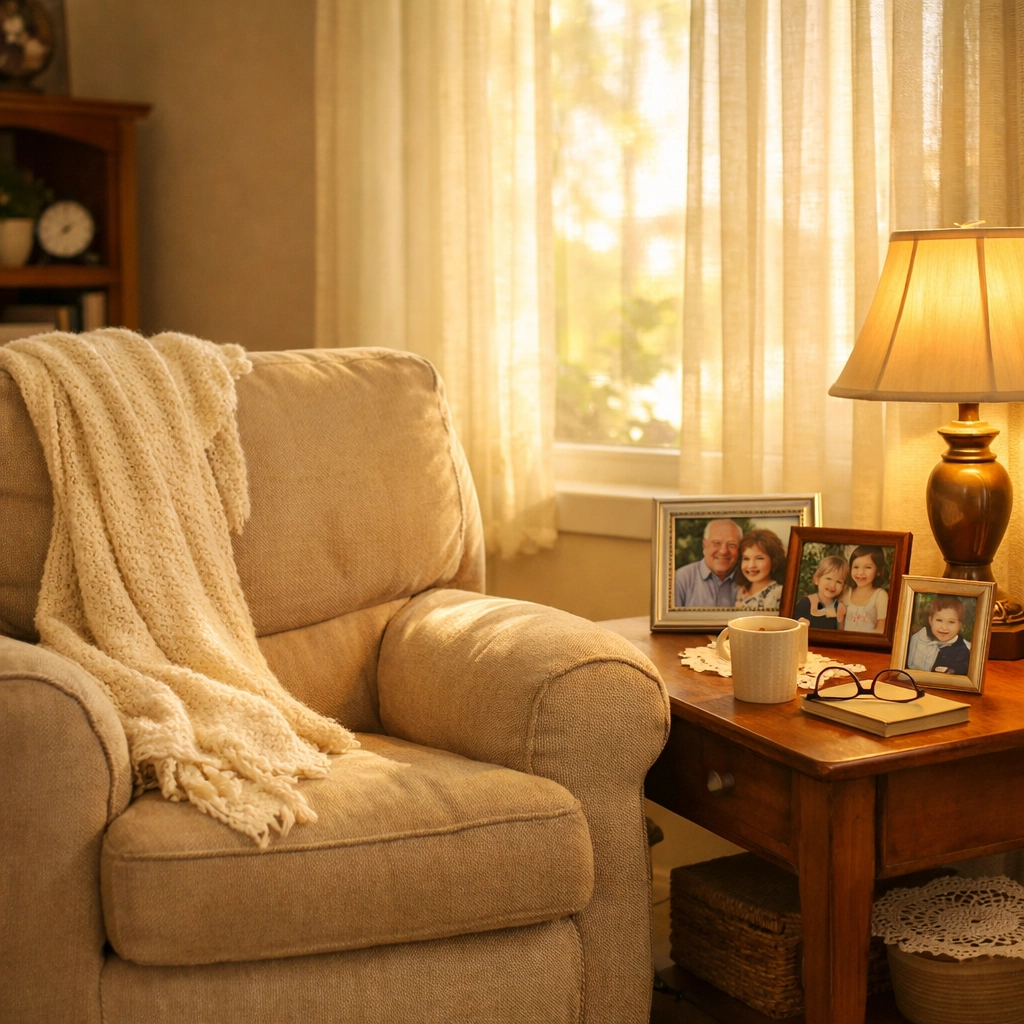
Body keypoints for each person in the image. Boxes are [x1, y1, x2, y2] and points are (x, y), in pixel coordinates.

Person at [673, 518, 742, 608]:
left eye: (731, 545)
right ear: (704, 545)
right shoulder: (680, 579)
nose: (723, 551)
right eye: (716, 543)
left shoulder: (749, 580)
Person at [906, 596, 972, 675]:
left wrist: (952, 671)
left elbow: (963, 669)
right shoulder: (918, 638)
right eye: (939, 620)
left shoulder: (963, 650)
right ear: (930, 620)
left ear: (959, 625)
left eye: (951, 622)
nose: (944, 627)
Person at [733, 528, 786, 611]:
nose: (751, 565)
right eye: (746, 559)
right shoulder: (739, 591)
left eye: (759, 558)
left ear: (774, 562)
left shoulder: (779, 594)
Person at [841, 545, 889, 634]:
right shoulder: (845, 592)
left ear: (879, 571)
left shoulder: (880, 596)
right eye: (856, 567)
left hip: (869, 645)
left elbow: (881, 630)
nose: (860, 572)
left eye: (868, 567)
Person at [794, 555, 848, 629]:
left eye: (839, 582)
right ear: (817, 580)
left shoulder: (840, 607)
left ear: (843, 586)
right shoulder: (806, 603)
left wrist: (841, 619)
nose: (832, 585)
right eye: (828, 578)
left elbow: (842, 635)